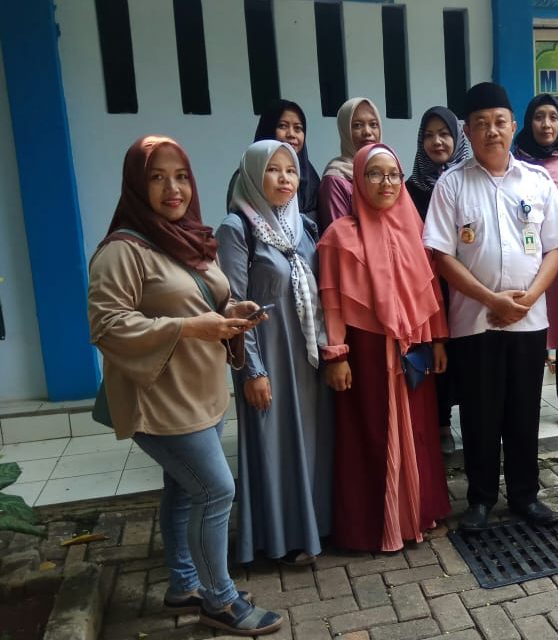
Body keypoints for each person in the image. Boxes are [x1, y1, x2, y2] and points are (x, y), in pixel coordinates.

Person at [88, 136, 282, 635]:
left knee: (183, 487)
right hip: (160, 399)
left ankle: (184, 582)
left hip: (200, 391)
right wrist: (190, 328)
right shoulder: (122, 250)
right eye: (157, 177)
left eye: (180, 176)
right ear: (137, 184)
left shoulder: (189, 238)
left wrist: (227, 313)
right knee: (217, 490)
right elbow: (107, 327)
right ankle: (218, 600)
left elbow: (201, 302)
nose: (172, 188)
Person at [423, 82, 558, 531]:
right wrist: (491, 298)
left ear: (513, 126)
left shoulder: (537, 181)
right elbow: (442, 255)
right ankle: (479, 499)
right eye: (480, 125)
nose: (491, 131)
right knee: (478, 412)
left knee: (523, 411)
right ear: (468, 133)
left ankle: (525, 496)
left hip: (529, 321)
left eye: (499, 122)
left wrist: (529, 298)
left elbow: (556, 248)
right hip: (474, 322)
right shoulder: (452, 184)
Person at [319, 142, 452, 551]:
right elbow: (333, 302)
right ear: (358, 180)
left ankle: (417, 513)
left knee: (418, 431)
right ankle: (375, 526)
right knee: (370, 435)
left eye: (393, 174)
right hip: (367, 352)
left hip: (413, 349)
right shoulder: (339, 237)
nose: (387, 183)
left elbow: (429, 290)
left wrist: (439, 340)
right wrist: (337, 355)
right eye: (375, 174)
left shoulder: (415, 230)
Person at [216, 140, 333, 565]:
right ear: (251, 175)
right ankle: (276, 541)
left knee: (310, 442)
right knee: (272, 443)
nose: (284, 178)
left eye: (291, 170)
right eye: (273, 170)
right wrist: (251, 373)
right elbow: (233, 307)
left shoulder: (303, 226)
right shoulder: (236, 228)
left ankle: (313, 529)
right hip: (265, 354)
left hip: (304, 354)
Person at [513, 93, 558, 434]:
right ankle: (523, 403)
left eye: (553, 117)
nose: (546, 124)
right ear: (528, 122)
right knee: (528, 331)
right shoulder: (515, 161)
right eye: (539, 117)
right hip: (524, 258)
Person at [405, 106, 471, 452]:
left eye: (444, 134)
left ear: (458, 138)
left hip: (468, 282)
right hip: (428, 284)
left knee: (467, 353)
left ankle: (471, 418)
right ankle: (441, 422)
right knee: (435, 351)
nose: (437, 141)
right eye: (429, 135)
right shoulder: (409, 189)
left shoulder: (470, 182)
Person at [227, 99, 321, 223]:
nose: (291, 134)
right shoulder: (248, 176)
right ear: (268, 128)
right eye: (283, 126)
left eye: (298, 128)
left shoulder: (310, 175)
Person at [318, 97, 383, 233]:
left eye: (373, 124)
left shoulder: (387, 172)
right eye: (357, 125)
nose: (367, 132)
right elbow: (340, 237)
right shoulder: (336, 179)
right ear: (345, 131)